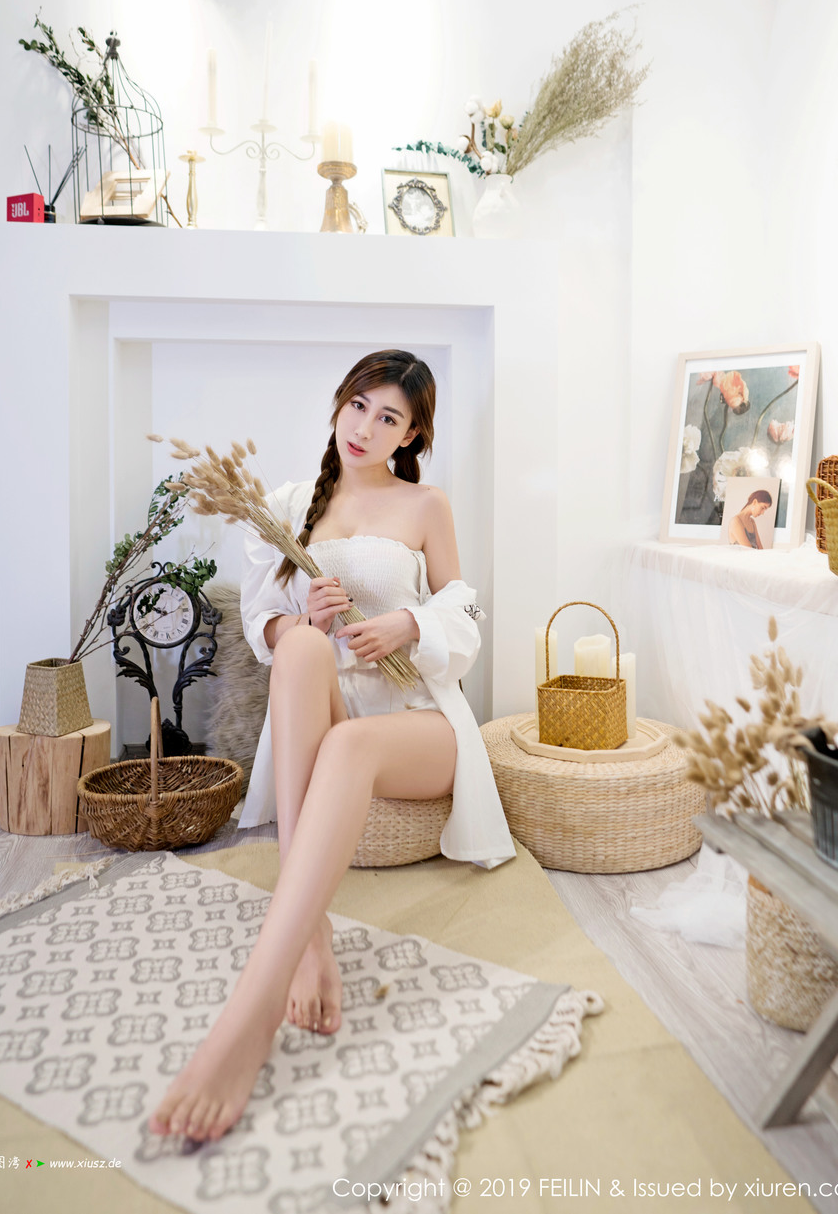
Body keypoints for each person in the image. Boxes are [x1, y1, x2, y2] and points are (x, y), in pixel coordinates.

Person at [149, 348, 514, 1144]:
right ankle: (310, 939)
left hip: (416, 716)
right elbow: (264, 628)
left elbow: (464, 616)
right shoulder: (288, 506)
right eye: (358, 405)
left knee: (348, 749)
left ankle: (247, 1020)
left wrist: (409, 623)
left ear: (410, 434)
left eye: (389, 417)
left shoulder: (427, 504)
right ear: (340, 403)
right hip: (330, 701)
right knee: (305, 650)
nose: (366, 426)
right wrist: (304, 619)